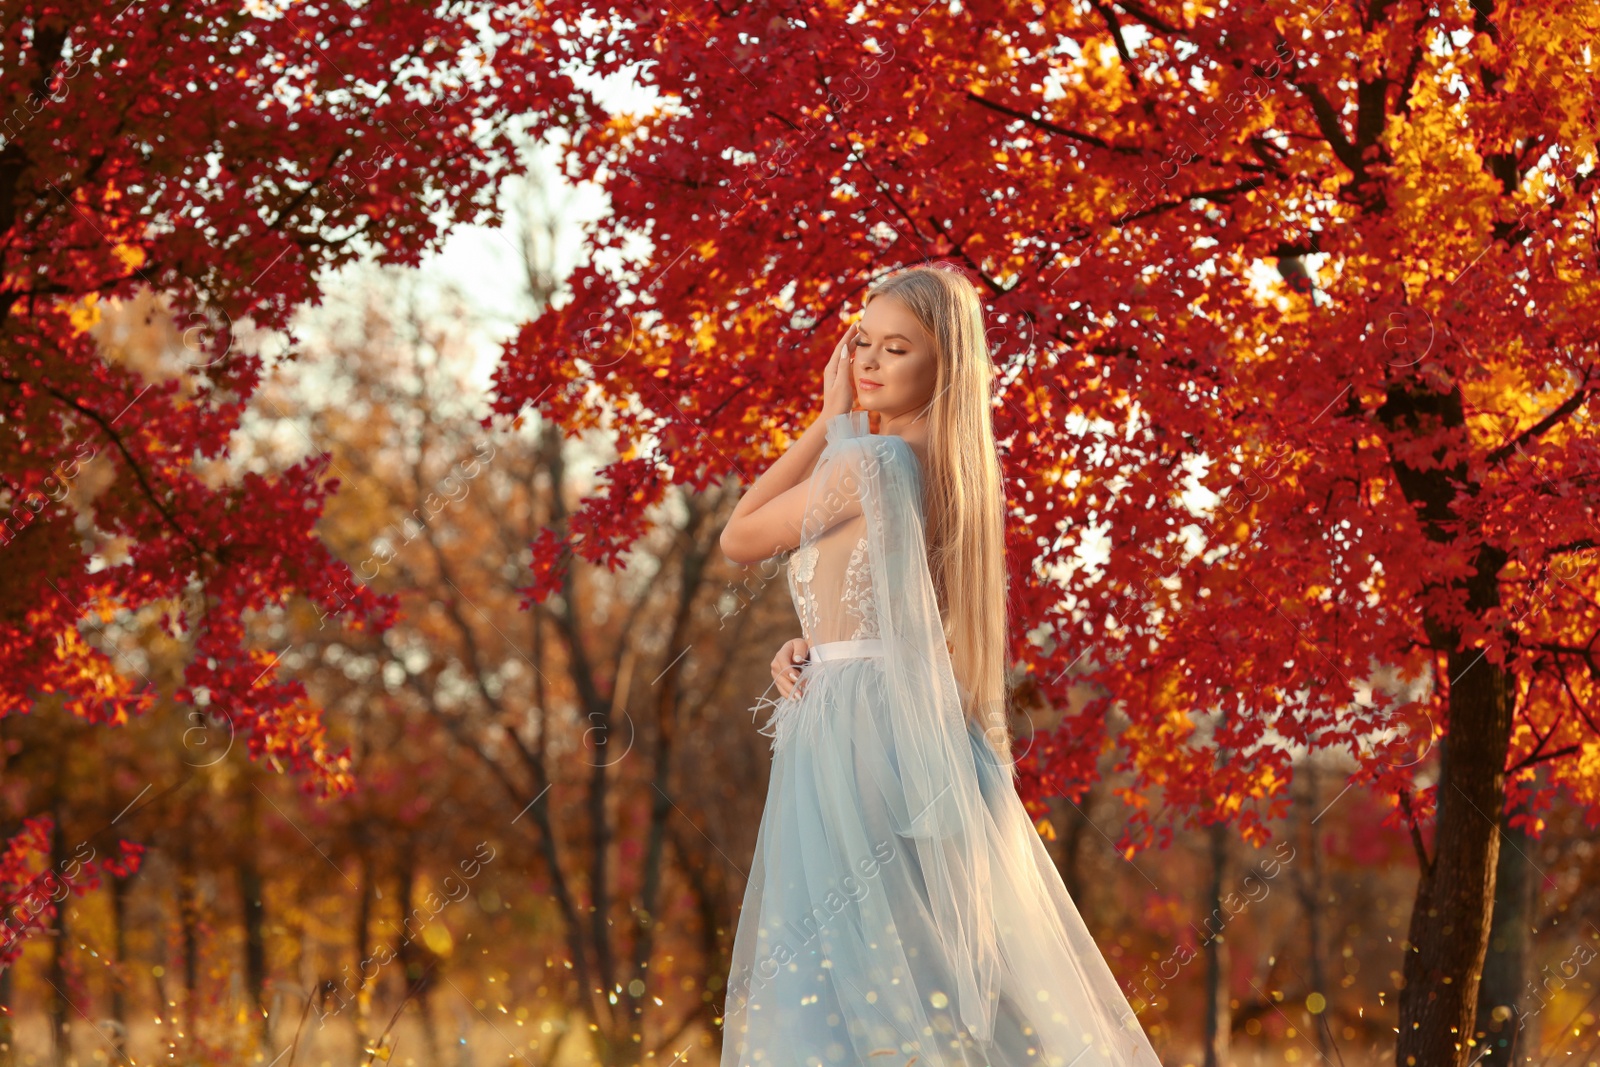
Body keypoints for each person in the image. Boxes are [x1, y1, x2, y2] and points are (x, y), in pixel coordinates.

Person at [717, 264, 1165, 1067]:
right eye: (862, 343)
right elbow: (896, 613)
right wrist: (812, 638)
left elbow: (738, 534)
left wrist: (829, 422)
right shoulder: (944, 465)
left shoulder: (871, 463)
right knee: (913, 974)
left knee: (841, 980)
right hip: (895, 719)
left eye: (897, 349)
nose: (870, 363)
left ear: (944, 366)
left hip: (855, 734)